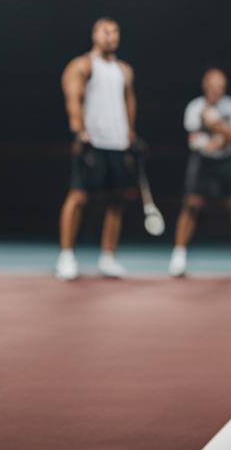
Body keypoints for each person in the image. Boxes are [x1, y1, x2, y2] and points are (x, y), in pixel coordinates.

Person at [55, 17, 138, 280]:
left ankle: (108, 258)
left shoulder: (124, 70)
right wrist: (79, 129)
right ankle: (66, 257)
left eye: (115, 32)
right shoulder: (83, 65)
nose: (111, 36)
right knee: (78, 198)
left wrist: (130, 134)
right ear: (94, 35)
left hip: (117, 143)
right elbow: (72, 97)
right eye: (106, 31)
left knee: (116, 202)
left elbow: (129, 102)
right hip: (92, 142)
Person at [168, 68, 231, 277]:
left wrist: (215, 124)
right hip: (202, 160)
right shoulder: (195, 107)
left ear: (224, 88)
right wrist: (209, 142)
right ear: (205, 85)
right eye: (212, 85)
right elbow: (193, 138)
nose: (215, 90)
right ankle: (178, 257)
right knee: (191, 204)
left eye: (220, 86)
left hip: (228, 160)